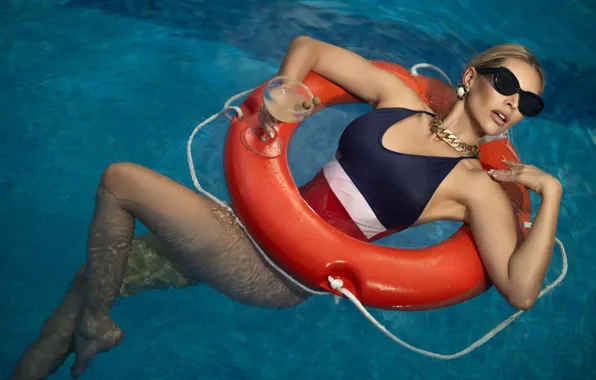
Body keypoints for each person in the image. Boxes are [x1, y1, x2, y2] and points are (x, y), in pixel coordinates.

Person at [12, 35, 562, 379]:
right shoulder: (401, 103)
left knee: (119, 180)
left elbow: (521, 290)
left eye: (528, 102)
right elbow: (310, 46)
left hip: (278, 271)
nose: (513, 102)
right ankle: (89, 330)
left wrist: (551, 192)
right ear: (471, 77)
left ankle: (94, 324)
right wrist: (287, 95)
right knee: (89, 283)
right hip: (251, 227)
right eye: (506, 83)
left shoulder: (475, 189)